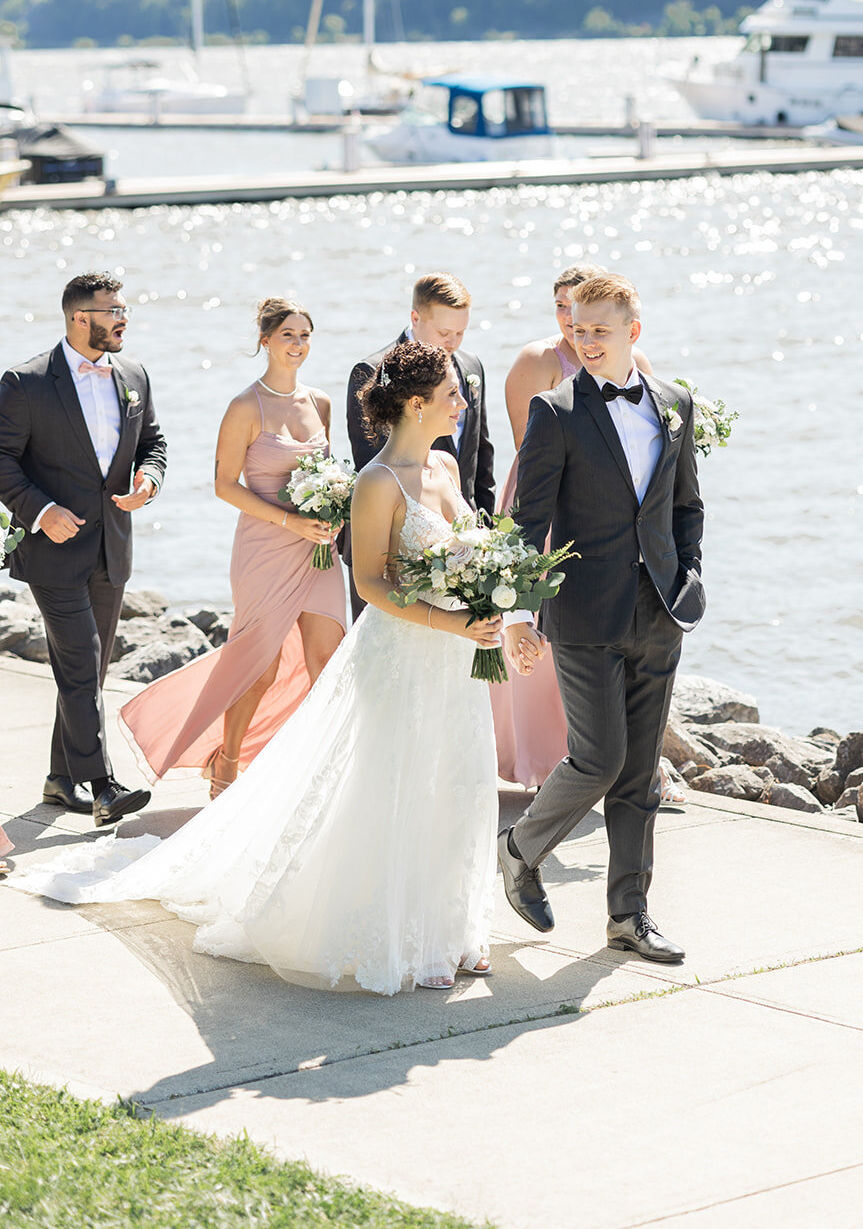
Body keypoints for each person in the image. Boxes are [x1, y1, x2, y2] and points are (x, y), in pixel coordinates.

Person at [7, 343, 501, 996]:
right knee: (397, 784)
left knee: (454, 784)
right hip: (405, 652)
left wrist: (495, 603)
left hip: (456, 661)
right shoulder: (378, 482)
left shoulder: (442, 466)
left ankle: (451, 926)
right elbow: (374, 585)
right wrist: (450, 621)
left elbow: (471, 550)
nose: (461, 403)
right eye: (451, 394)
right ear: (417, 403)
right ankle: (404, 935)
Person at [499, 273, 704, 963]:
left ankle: (628, 917)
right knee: (599, 757)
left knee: (640, 774)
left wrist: (689, 574)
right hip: (583, 611)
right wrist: (518, 613)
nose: (584, 341)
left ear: (631, 333)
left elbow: (684, 504)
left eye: (599, 330)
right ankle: (519, 847)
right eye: (576, 329)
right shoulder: (553, 412)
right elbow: (528, 522)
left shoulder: (676, 403)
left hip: (660, 612)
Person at [119, 299, 346, 799]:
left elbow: (332, 475)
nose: (298, 344)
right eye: (288, 334)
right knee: (259, 666)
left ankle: (322, 770)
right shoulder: (246, 405)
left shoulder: (322, 404)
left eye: (306, 335)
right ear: (265, 340)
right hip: (266, 550)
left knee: (328, 662)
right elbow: (224, 484)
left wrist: (334, 509)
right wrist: (291, 519)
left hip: (320, 554)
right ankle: (228, 759)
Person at [0, 273, 166, 829]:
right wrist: (41, 511)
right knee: (80, 663)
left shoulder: (134, 374)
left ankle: (58, 779)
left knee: (86, 672)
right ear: (79, 318)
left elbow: (153, 443)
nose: (123, 318)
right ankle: (103, 786)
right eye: (112, 309)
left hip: (112, 549)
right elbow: (2, 461)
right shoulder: (24, 383)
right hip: (52, 553)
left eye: (124, 308)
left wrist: (149, 480)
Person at [491, 263, 656, 791]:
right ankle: (545, 761)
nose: (571, 321)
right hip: (548, 500)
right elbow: (528, 449)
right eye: (562, 308)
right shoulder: (537, 361)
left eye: (579, 309)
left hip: (617, 524)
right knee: (552, 620)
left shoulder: (647, 374)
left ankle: (616, 760)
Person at [345, 272, 495, 619]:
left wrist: (483, 548)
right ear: (416, 318)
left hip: (462, 560)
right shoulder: (373, 371)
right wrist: (432, 552)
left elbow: (481, 455)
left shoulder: (470, 366)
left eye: (461, 332)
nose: (453, 343)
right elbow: (375, 462)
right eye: (444, 333)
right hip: (392, 558)